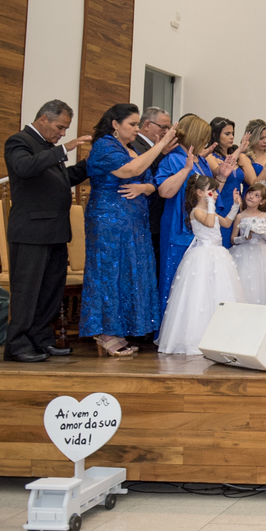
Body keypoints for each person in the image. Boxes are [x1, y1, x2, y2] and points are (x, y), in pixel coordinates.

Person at [81, 104, 177, 356]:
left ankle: (120, 328)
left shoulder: (130, 148)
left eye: (137, 124)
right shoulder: (103, 146)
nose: (136, 129)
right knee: (110, 272)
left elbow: (149, 183)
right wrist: (161, 145)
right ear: (115, 124)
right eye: (132, 124)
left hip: (133, 222)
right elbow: (131, 171)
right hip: (109, 221)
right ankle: (104, 331)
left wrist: (144, 189)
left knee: (129, 273)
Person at [2, 100, 92, 362]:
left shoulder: (47, 149)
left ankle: (41, 340)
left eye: (65, 129)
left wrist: (87, 164)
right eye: (60, 127)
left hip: (54, 231)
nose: (62, 133)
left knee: (51, 290)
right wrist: (65, 149)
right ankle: (16, 345)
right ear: (43, 119)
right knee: (27, 291)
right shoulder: (18, 141)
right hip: (31, 231)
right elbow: (24, 168)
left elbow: (64, 180)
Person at [156, 114, 238, 313]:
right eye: (204, 136)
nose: (207, 141)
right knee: (177, 278)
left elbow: (208, 193)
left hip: (200, 230)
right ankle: (174, 326)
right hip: (179, 225)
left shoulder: (201, 160)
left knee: (200, 283)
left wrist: (222, 178)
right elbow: (165, 191)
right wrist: (186, 169)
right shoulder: (173, 159)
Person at [158, 176, 245, 355]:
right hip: (202, 256)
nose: (214, 195)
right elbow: (209, 222)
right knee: (200, 295)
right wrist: (211, 205)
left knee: (220, 291)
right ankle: (196, 338)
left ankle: (222, 336)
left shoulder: (210, 211)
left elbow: (226, 223)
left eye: (215, 191)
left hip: (217, 254)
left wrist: (235, 205)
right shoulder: (197, 211)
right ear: (199, 193)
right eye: (210, 192)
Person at [230, 183, 266, 306]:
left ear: (262, 201)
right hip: (244, 253)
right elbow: (233, 239)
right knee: (245, 281)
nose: (251, 197)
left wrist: (261, 233)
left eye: (256, 195)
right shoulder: (240, 216)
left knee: (263, 282)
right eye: (250, 193)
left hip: (263, 253)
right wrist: (244, 238)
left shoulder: (265, 216)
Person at [132, 107, 171, 266]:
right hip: (144, 213)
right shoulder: (135, 145)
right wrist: (161, 152)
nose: (166, 131)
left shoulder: (160, 147)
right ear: (147, 124)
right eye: (163, 127)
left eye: (168, 128)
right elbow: (144, 171)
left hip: (156, 215)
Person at [206, 117, 248, 248]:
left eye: (233, 134)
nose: (231, 137)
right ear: (215, 135)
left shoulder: (236, 156)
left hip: (236, 206)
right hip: (221, 205)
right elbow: (220, 171)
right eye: (227, 134)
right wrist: (239, 149)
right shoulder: (210, 156)